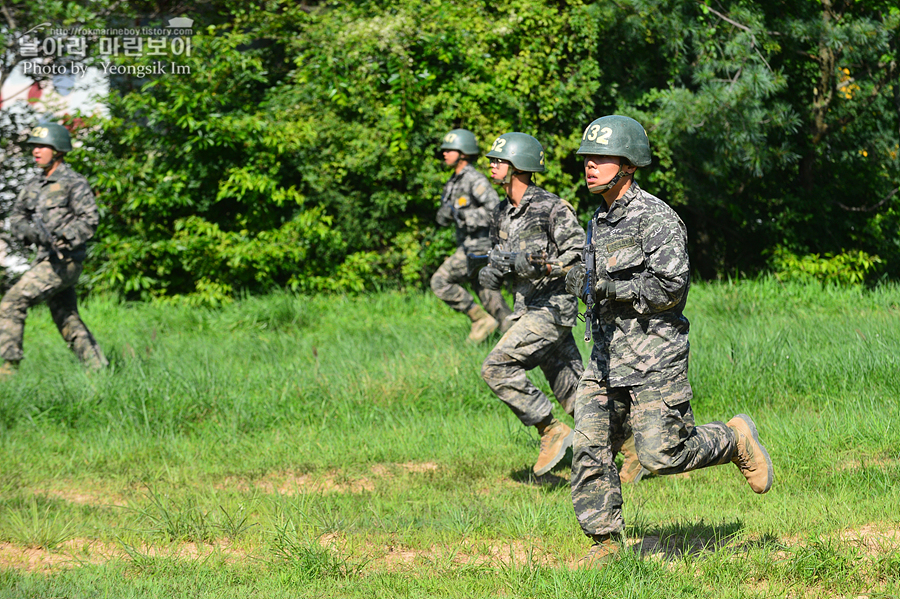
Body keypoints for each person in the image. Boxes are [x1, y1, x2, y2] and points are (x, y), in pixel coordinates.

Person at [564, 115, 773, 565]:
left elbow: (672, 288)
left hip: (654, 359)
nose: (590, 166)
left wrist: (617, 288)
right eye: (588, 158)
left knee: (662, 456)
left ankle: (734, 440)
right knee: (588, 444)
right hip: (603, 360)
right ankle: (605, 543)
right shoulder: (597, 221)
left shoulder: (656, 218)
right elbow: (591, 283)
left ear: (629, 165)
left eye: (602, 158)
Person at [477, 132, 585, 476]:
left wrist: (545, 265)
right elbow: (499, 255)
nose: (491, 165)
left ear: (519, 165)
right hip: (525, 308)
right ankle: (628, 446)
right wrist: (493, 270)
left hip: (553, 308)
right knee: (574, 392)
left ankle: (550, 430)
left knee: (496, 368)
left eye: (498, 160)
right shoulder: (501, 211)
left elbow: (581, 257)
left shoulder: (551, 208)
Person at [0, 122, 108, 377]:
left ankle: (8, 368)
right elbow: (16, 217)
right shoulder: (34, 184)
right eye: (34, 147)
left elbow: (89, 220)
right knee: (65, 315)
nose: (36, 151)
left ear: (57, 150)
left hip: (66, 261)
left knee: (12, 303)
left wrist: (63, 237)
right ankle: (98, 369)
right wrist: (29, 232)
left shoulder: (74, 182)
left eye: (42, 146)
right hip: (44, 260)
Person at [432, 129, 512, 343]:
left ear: (464, 153)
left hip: (478, 247)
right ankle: (513, 336)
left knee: (439, 281)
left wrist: (462, 214)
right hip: (469, 246)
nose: (444, 153)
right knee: (490, 297)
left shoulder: (474, 179)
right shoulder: (453, 182)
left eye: (450, 150)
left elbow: (495, 210)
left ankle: (479, 319)